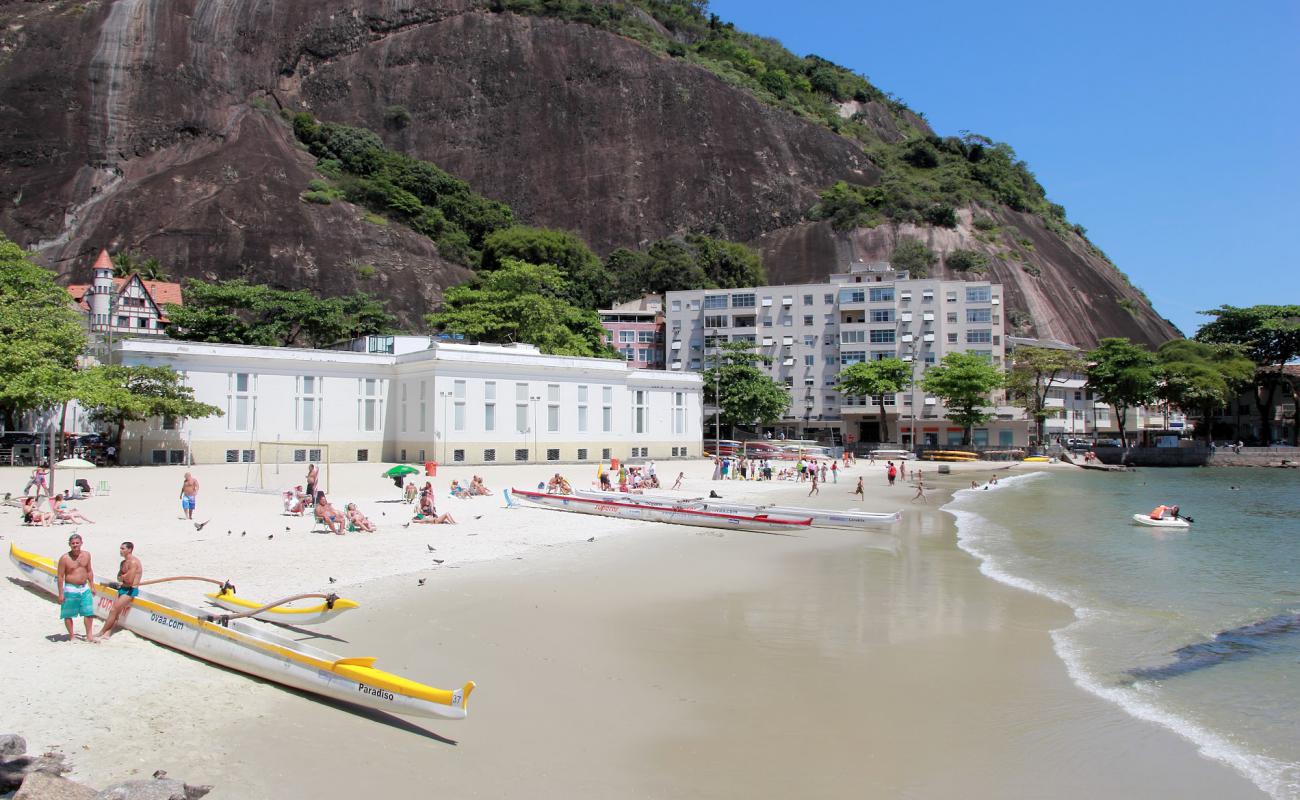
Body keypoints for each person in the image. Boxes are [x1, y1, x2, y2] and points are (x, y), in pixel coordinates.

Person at [56, 533, 96, 642]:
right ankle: (72, 636)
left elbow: (89, 570)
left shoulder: (87, 555)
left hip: (84, 587)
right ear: (69, 544)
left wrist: (92, 585)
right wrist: (60, 594)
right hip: (70, 588)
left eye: (77, 543)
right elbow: (60, 576)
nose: (75, 545)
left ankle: (89, 636)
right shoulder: (64, 558)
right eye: (73, 543)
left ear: (81, 543)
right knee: (68, 614)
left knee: (89, 613)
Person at [100, 541, 142, 639]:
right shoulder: (123, 563)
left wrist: (123, 577)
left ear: (130, 550)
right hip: (123, 588)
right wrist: (124, 577)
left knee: (113, 610)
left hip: (130, 590)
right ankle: (107, 633)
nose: (120, 550)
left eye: (123, 549)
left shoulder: (133, 562)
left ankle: (102, 631)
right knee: (117, 612)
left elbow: (130, 580)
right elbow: (119, 577)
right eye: (120, 548)